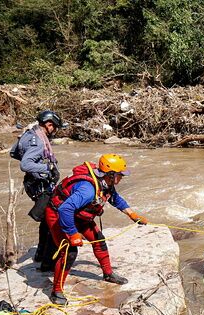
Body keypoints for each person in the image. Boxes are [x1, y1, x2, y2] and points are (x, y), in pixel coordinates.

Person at [44, 154, 148, 305]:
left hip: (78, 215)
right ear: (110, 175)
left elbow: (115, 198)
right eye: (120, 175)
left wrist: (132, 215)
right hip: (58, 214)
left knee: (99, 240)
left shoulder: (105, 183)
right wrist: (73, 233)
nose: (122, 178)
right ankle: (56, 291)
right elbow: (65, 209)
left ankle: (108, 274)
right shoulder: (87, 189)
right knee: (69, 252)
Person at [9, 110, 64, 271]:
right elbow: (25, 164)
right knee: (52, 220)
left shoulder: (29, 134)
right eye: (55, 127)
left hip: (33, 183)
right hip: (40, 186)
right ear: (49, 124)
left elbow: (13, 152)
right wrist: (47, 167)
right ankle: (47, 263)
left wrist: (37, 165)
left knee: (47, 220)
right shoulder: (39, 142)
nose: (54, 131)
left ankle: (40, 254)